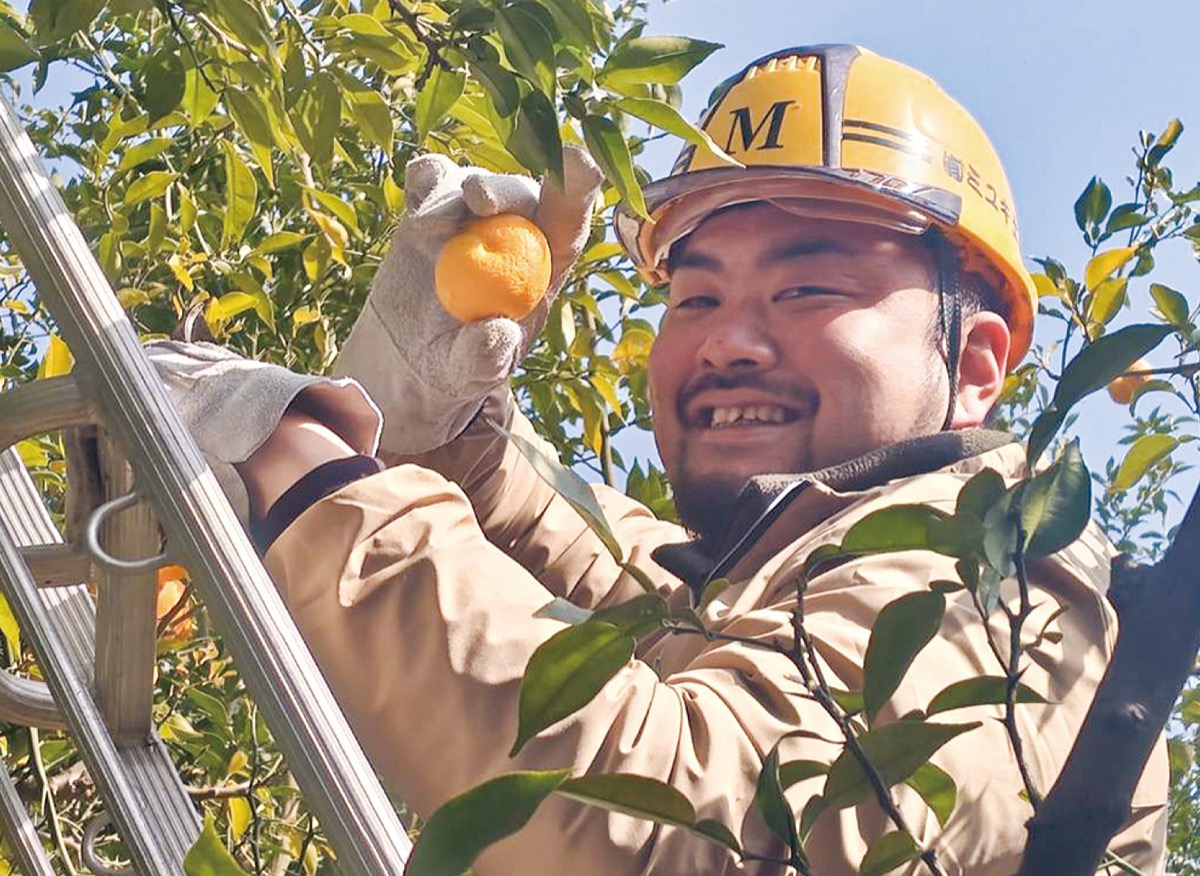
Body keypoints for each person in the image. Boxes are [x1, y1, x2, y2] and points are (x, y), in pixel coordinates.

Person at [149, 45, 1167, 875]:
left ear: (977, 362)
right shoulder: (774, 584)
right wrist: (442, 419)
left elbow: (690, 833)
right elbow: (599, 568)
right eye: (697, 298)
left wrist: (299, 459)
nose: (728, 341)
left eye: (807, 291)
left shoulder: (1006, 593)